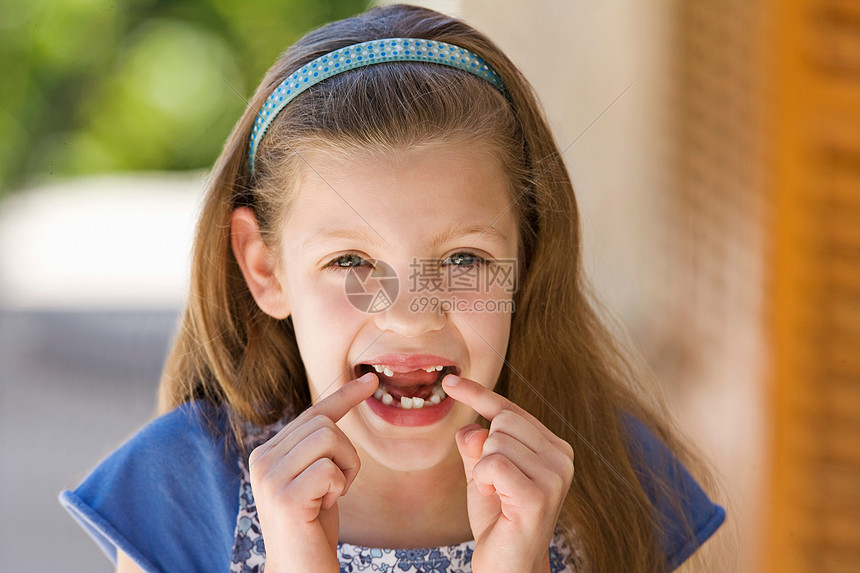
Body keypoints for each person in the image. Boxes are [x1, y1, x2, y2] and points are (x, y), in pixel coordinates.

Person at [60, 4, 726, 572]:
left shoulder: (621, 481)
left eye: (464, 258)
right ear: (265, 268)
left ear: (528, 257)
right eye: (351, 259)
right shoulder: (180, 493)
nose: (411, 316)